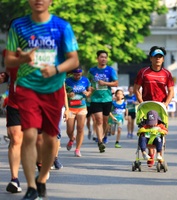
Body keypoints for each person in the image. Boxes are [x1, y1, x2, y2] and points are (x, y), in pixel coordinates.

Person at [4, 0, 79, 199]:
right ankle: (28, 186)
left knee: (48, 139)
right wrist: (22, 59)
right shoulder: (18, 27)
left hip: (52, 89)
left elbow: (74, 60)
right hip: (26, 90)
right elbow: (9, 62)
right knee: (26, 136)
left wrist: (55, 69)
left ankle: (42, 177)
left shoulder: (62, 27)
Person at [133, 46, 174, 167]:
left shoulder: (167, 74)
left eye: (160, 56)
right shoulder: (143, 72)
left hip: (161, 107)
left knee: (159, 131)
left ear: (163, 59)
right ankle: (150, 154)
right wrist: (141, 102)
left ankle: (159, 155)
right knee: (147, 130)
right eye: (155, 56)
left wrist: (165, 104)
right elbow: (136, 89)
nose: (158, 59)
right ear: (150, 58)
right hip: (146, 106)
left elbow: (171, 91)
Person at [88, 50, 118, 153]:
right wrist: (89, 91)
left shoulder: (110, 70)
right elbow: (89, 84)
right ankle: (100, 141)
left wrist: (105, 82)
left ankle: (103, 136)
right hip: (96, 99)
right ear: (97, 58)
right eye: (101, 57)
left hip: (107, 99)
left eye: (105, 57)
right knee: (99, 120)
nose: (103, 59)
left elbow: (116, 83)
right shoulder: (92, 71)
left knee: (105, 121)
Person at [65, 67, 91, 157]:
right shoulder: (67, 81)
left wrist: (87, 94)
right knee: (69, 129)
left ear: (81, 73)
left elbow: (90, 90)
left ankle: (77, 149)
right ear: (72, 74)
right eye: (75, 75)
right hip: (71, 107)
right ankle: (72, 138)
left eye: (79, 75)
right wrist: (69, 94)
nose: (77, 76)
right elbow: (63, 93)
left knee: (80, 128)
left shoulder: (85, 80)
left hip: (82, 107)